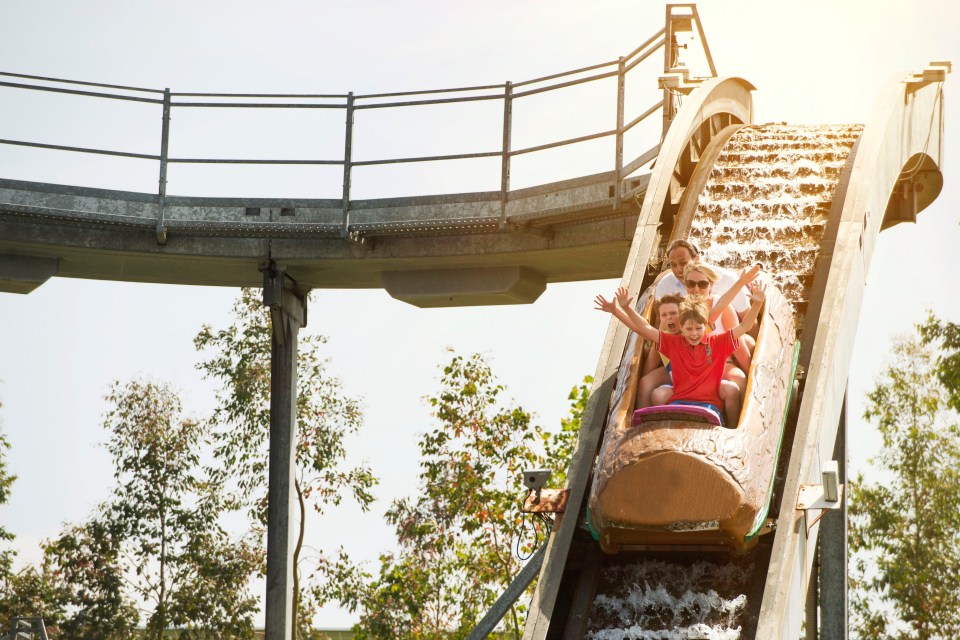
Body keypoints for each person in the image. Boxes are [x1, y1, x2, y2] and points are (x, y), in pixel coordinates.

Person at [595, 280, 766, 426]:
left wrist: (757, 302)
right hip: (680, 400)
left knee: (732, 389)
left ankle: (730, 428)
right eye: (689, 329)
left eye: (698, 329)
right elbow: (644, 328)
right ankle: (651, 429)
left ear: (706, 327)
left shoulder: (716, 342)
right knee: (658, 393)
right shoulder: (673, 342)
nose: (693, 334)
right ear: (682, 328)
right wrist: (623, 308)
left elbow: (744, 326)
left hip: (709, 403)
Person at [655, 239, 751, 316]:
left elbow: (747, 319)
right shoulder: (664, 285)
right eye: (673, 265)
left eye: (683, 263)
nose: (678, 270)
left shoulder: (727, 280)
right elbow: (660, 323)